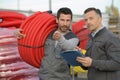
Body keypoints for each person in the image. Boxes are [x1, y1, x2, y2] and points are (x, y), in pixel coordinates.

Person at [14, 7, 79, 80]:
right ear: (57, 20)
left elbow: (69, 46)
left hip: (61, 78)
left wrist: (60, 38)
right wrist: (17, 31)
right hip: (43, 76)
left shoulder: (73, 38)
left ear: (71, 21)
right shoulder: (47, 33)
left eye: (68, 20)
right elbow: (31, 36)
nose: (65, 23)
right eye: (62, 20)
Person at [76, 7, 120, 80]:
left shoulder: (111, 37)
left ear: (100, 19)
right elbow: (86, 66)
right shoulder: (91, 39)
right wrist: (79, 55)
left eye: (91, 18)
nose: (88, 22)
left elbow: (117, 63)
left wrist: (92, 63)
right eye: (86, 20)